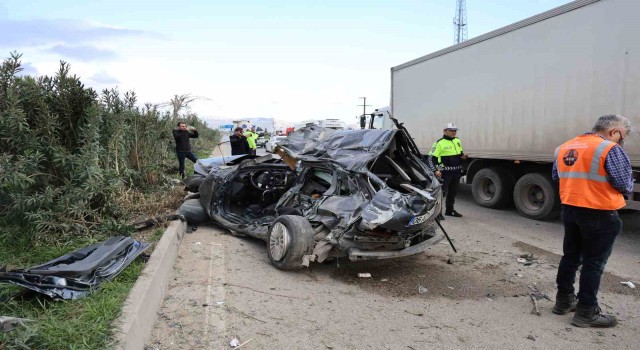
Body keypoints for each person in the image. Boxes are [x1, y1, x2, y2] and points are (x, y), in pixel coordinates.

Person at [552, 115, 633, 328]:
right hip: (599, 212)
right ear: (614, 131)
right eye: (623, 135)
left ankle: (563, 301)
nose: (622, 140)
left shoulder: (564, 147)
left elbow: (556, 177)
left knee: (570, 256)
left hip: (570, 209)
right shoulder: (609, 149)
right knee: (593, 263)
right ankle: (586, 311)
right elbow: (624, 184)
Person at [428, 122, 467, 219]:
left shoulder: (457, 140)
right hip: (444, 172)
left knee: (453, 192)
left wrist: (463, 157)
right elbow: (431, 158)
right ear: (445, 131)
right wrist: (436, 170)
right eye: (451, 131)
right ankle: (437, 213)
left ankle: (449, 210)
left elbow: (459, 154)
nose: (453, 133)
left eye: (455, 131)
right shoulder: (439, 143)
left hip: (456, 172)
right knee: (442, 193)